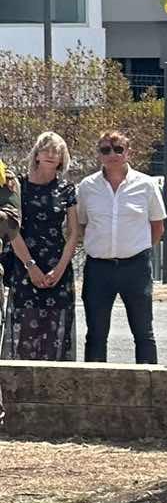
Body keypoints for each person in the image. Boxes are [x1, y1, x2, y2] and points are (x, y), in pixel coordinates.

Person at [75, 130, 165, 364]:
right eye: (106, 150)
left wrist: (138, 249)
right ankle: (93, 393)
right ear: (99, 154)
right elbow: (81, 225)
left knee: (143, 333)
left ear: (128, 153)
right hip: (98, 268)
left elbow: (157, 226)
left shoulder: (146, 185)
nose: (112, 154)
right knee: (95, 334)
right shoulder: (86, 187)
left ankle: (150, 391)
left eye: (118, 149)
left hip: (135, 267)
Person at [2, 133, 81, 361]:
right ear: (36, 154)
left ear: (62, 159)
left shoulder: (67, 189)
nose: (51, 154)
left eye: (56, 151)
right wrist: (31, 266)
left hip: (58, 269)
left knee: (56, 331)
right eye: (46, 149)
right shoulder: (18, 186)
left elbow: (73, 232)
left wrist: (60, 269)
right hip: (25, 266)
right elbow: (12, 229)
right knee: (26, 332)